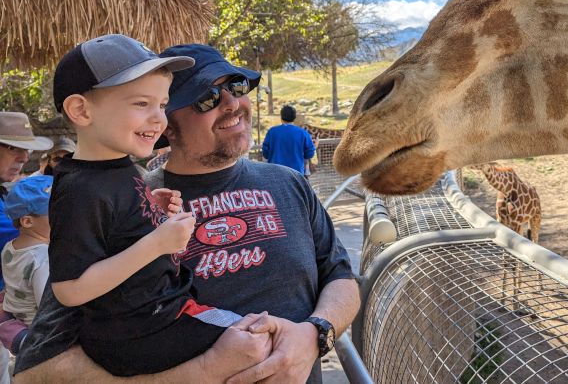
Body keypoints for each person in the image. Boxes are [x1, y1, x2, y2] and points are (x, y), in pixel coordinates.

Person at [14, 43, 359, 384]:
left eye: (236, 86)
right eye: (206, 98)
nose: (232, 104)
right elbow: (37, 369)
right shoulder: (118, 201)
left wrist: (315, 335)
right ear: (166, 126)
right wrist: (202, 373)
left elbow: (341, 278)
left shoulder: (290, 184)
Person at [46, 34, 269, 377]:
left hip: (160, 312)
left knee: (260, 332)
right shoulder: (79, 189)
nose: (158, 119)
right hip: (139, 331)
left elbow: (113, 230)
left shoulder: (120, 168)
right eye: (141, 104)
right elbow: (70, 289)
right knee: (257, 346)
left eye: (162, 105)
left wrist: (147, 210)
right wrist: (157, 243)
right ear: (81, 110)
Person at [0, 113, 52, 384]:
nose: (23, 157)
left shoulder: (8, 196)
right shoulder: (40, 254)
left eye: (25, 149)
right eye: (13, 147)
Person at [2, 175, 52, 326]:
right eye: (56, 212)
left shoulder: (10, 246)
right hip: (34, 326)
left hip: (16, 317)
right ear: (28, 221)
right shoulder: (42, 257)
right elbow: (46, 306)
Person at [262, 105, 315, 175]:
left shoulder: (272, 132)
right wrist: (315, 146)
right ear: (294, 117)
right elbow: (309, 154)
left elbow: (265, 153)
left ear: (281, 117)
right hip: (296, 174)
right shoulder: (303, 133)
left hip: (275, 173)